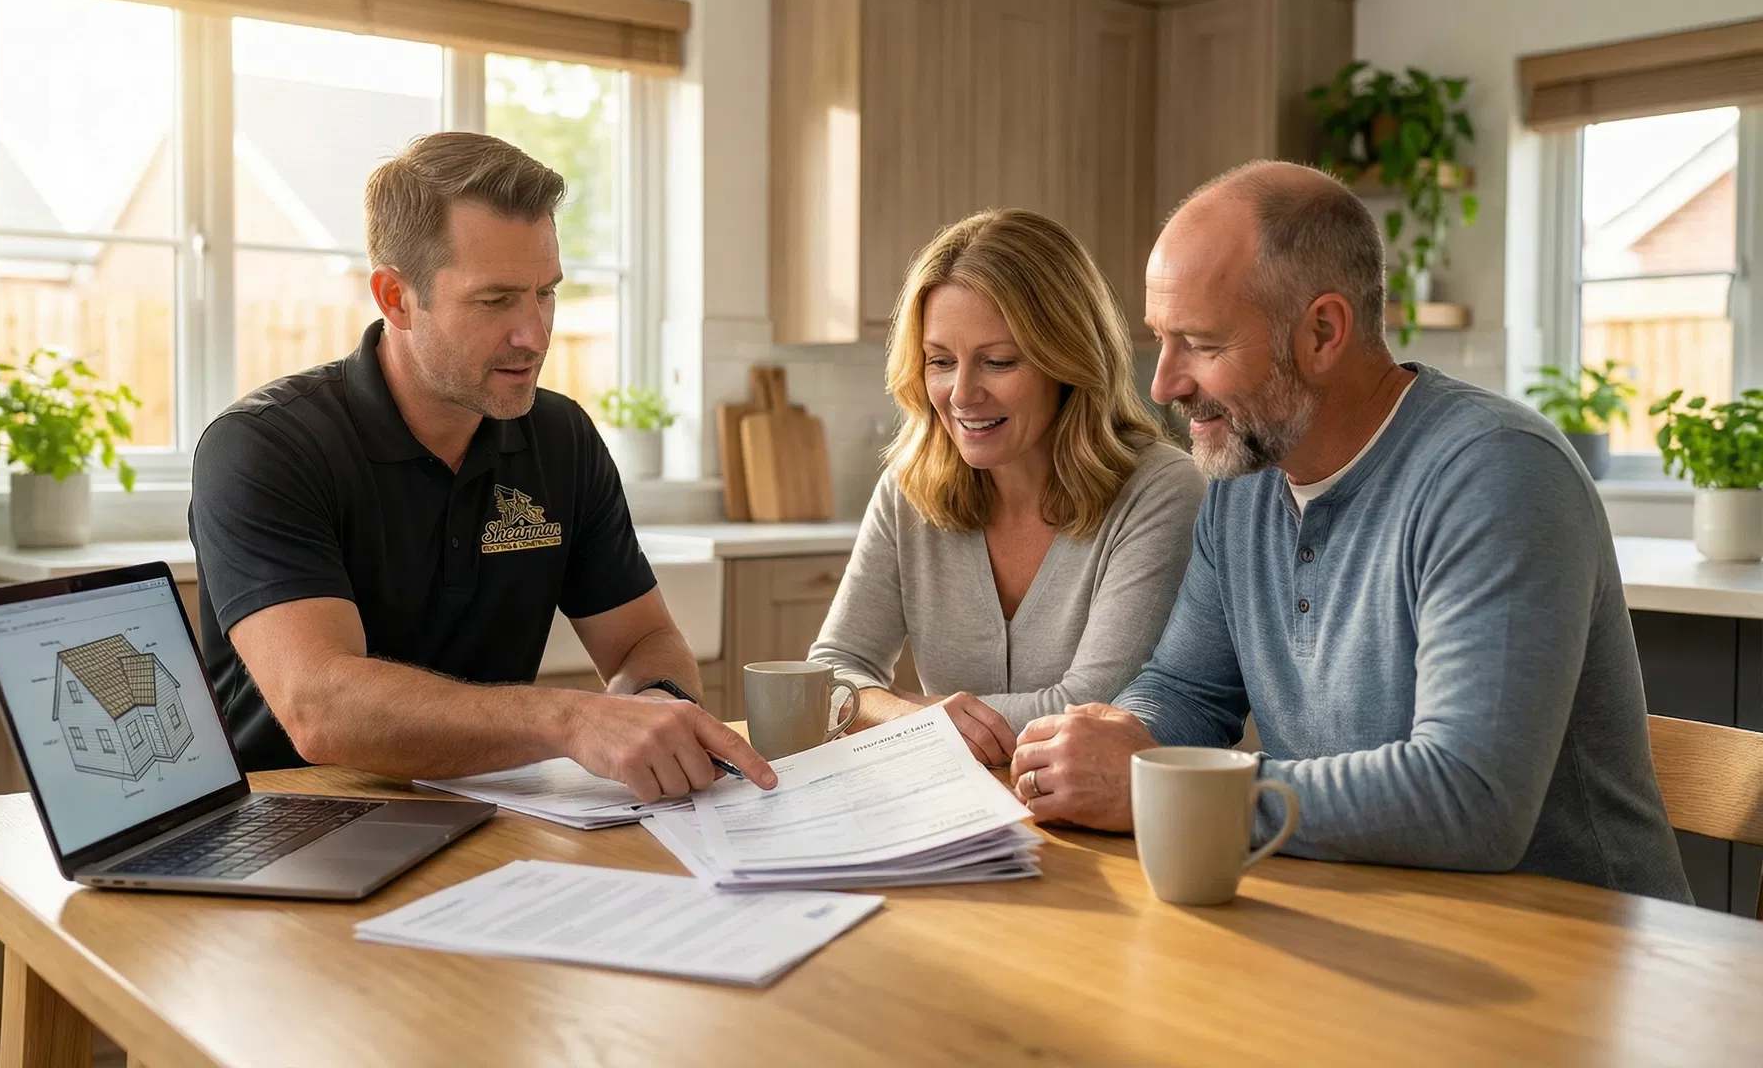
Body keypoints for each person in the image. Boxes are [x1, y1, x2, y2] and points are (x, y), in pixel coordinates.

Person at [1007, 162, 1691, 901]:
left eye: (1200, 344)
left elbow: (1473, 799)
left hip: (1584, 965)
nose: (1164, 384)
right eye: (1161, 340)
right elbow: (1186, 690)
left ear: (1324, 332)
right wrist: (1110, 745)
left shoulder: (1497, 474)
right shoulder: (1243, 478)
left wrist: (1163, 792)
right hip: (1376, 926)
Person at [188, 132, 774, 800]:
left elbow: (645, 638)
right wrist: (570, 719)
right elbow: (321, 709)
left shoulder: (561, 438)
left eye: (545, 293)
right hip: (294, 823)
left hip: (494, 814)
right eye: (495, 301)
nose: (535, 334)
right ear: (396, 298)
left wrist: (654, 710)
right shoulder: (265, 447)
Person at [809, 209, 1205, 766]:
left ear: (1067, 361)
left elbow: (1089, 712)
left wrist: (891, 709)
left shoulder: (1160, 490)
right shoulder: (909, 487)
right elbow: (827, 674)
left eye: (998, 361)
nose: (962, 393)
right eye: (940, 361)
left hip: (1100, 829)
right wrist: (912, 716)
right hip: (956, 820)